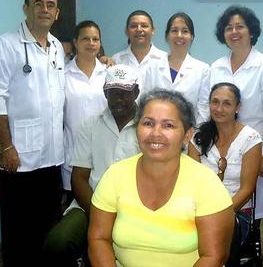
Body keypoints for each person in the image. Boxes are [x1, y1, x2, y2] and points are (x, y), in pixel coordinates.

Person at [88, 89, 235, 266]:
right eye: (148, 123)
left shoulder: (207, 184)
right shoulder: (114, 175)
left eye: (168, 125)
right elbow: (98, 239)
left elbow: (214, 256)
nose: (156, 133)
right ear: (137, 129)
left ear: (187, 135)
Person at [0, 0, 65, 266]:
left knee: (48, 227)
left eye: (50, 5)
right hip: (18, 159)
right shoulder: (5, 45)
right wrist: (6, 146)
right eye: (38, 3)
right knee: (19, 232)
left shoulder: (56, 47)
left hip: (53, 157)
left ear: (57, 13)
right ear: (26, 8)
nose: (45, 9)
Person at [44, 64, 141, 266]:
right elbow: (78, 177)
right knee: (57, 243)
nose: (119, 99)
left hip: (136, 208)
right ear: (105, 93)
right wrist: (98, 213)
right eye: (113, 93)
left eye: (125, 93)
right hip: (91, 203)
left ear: (136, 92)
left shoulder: (148, 126)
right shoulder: (90, 125)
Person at [210, 5, 263, 220]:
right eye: (229, 28)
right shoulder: (216, 67)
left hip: (254, 147)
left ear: (251, 31)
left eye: (240, 27)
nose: (234, 32)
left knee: (252, 211)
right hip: (220, 146)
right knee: (215, 199)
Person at [188, 82, 262, 264]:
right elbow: (190, 182)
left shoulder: (251, 139)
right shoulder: (197, 136)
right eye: (215, 102)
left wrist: (219, 214)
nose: (219, 108)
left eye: (227, 103)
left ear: (238, 107)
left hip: (236, 212)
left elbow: (247, 189)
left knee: (215, 238)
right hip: (198, 209)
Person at [62, 20, 107, 197]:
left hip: (105, 156)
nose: (91, 43)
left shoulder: (109, 74)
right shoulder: (63, 75)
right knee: (77, 211)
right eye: (85, 39)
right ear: (75, 42)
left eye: (95, 39)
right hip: (73, 156)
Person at [144, 12, 210, 124]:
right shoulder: (153, 67)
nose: (179, 35)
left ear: (192, 37)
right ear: (167, 35)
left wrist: (193, 135)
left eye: (185, 31)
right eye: (174, 30)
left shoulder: (202, 69)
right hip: (157, 129)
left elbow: (204, 109)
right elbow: (146, 102)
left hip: (189, 133)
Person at [110, 10, 166, 94]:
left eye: (144, 25)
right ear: (126, 31)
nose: (139, 29)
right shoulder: (116, 60)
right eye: (133, 26)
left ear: (153, 30)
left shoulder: (165, 60)